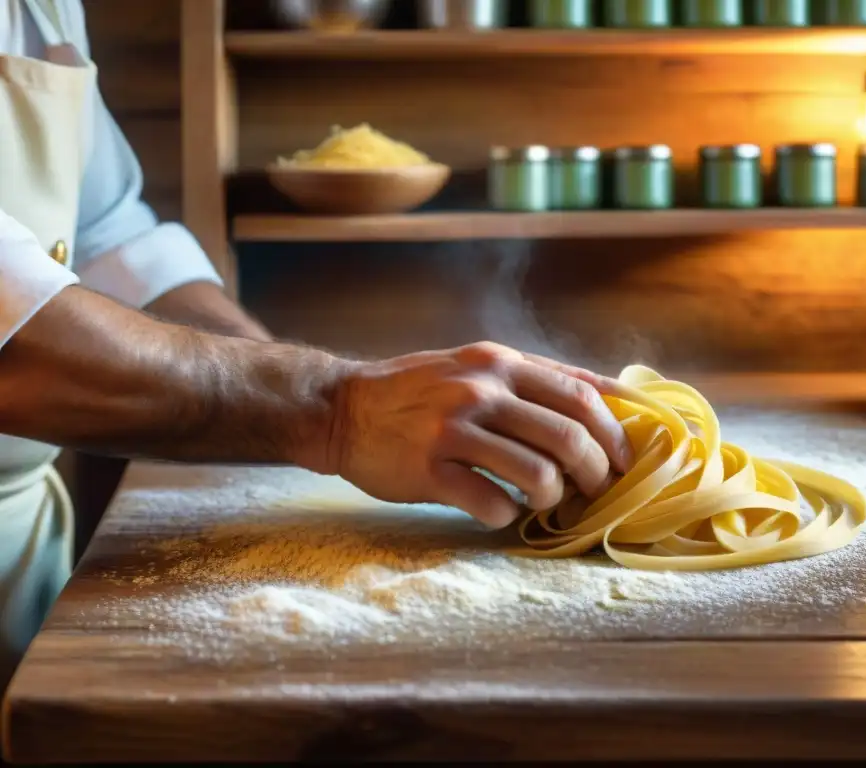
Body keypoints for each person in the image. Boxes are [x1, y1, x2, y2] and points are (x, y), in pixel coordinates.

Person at [0, 0, 632, 687]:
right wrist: (334, 410)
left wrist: (312, 385)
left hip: (21, 557)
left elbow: (107, 237)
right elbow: (16, 340)